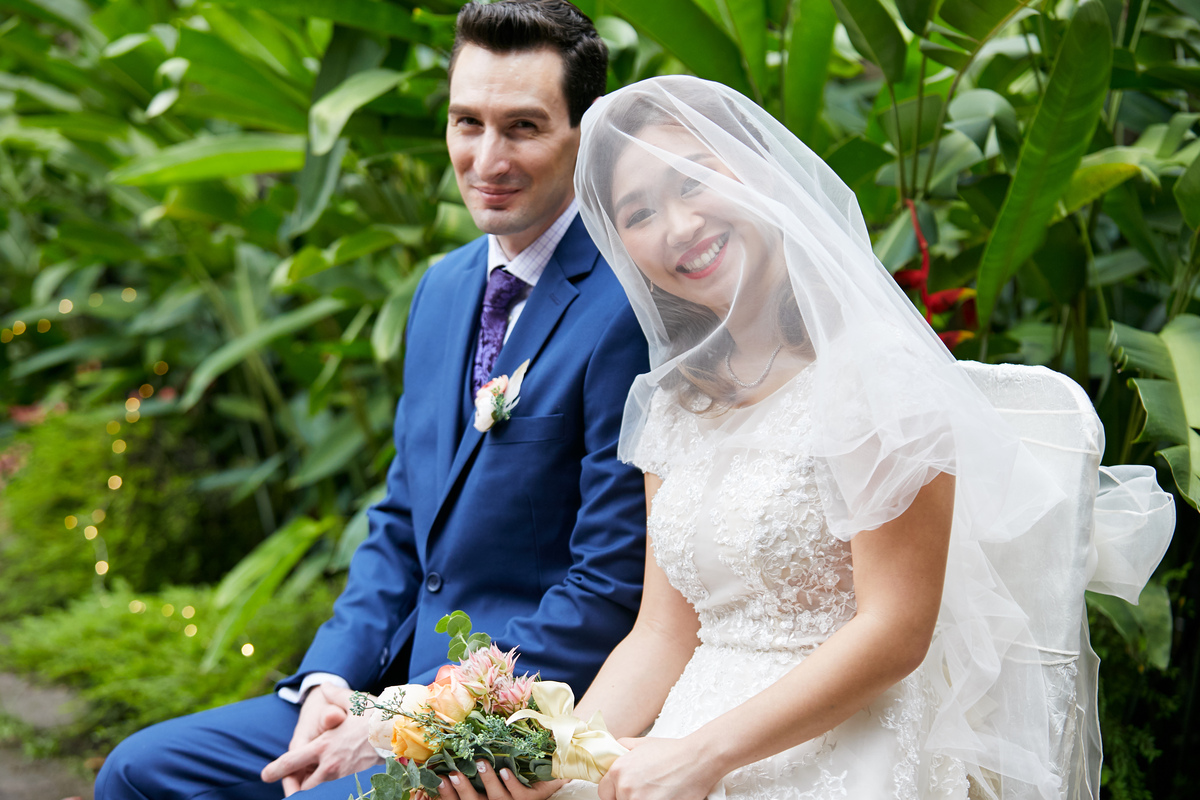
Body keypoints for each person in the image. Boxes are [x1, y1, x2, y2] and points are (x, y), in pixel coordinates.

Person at [553, 76, 1175, 800]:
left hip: (843, 747)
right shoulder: (678, 403)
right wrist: (554, 755)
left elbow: (896, 629)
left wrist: (701, 757)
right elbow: (663, 633)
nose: (678, 225)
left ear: (760, 172)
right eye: (639, 213)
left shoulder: (876, 374)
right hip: (689, 739)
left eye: (693, 180)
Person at [94, 3, 648, 798]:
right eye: (467, 122)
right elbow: (401, 519)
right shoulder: (442, 287)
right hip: (383, 679)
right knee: (141, 773)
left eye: (523, 127)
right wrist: (330, 681)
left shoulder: (626, 307)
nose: (486, 158)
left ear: (585, 133)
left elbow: (606, 583)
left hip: (509, 714)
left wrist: (408, 721)